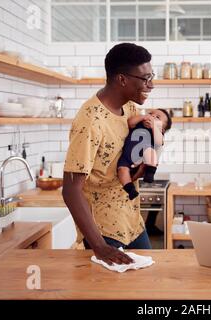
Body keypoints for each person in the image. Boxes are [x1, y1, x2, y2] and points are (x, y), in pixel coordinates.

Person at [62, 43, 155, 266]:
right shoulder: (90, 121)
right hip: (103, 234)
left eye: (152, 76)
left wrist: (141, 167)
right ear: (122, 79)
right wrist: (100, 247)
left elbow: (124, 158)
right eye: (145, 78)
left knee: (146, 288)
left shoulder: (130, 109)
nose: (151, 84)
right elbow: (70, 190)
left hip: (133, 225)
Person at [118, 108, 172, 200]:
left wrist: (154, 126)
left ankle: (150, 173)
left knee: (150, 153)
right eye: (151, 114)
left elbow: (159, 142)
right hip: (126, 156)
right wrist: (143, 117)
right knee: (122, 170)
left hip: (143, 152)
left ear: (162, 129)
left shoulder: (158, 133)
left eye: (157, 117)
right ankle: (130, 189)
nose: (152, 116)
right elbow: (129, 122)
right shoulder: (138, 124)